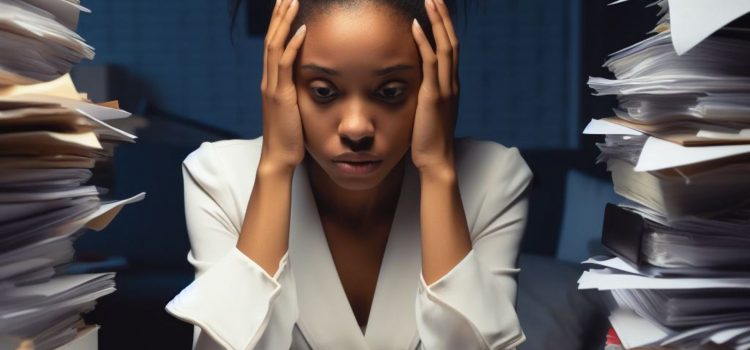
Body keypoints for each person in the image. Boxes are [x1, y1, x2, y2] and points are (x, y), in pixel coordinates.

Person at [165, 0, 533, 349]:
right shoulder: (219, 178)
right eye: (324, 91)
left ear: (436, 86)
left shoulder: (493, 179)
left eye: (390, 92)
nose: (357, 128)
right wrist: (276, 166)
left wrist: (437, 170)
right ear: (281, 84)